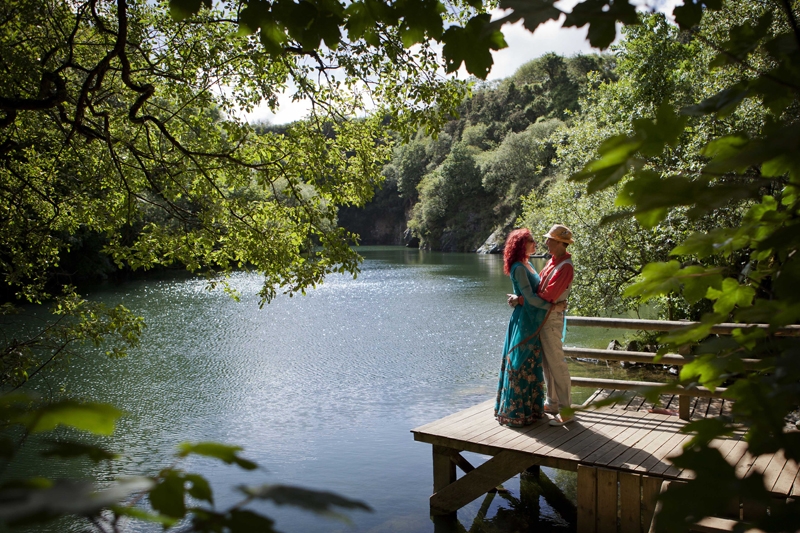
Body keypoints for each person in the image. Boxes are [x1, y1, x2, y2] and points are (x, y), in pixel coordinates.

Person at [495, 228, 566, 427]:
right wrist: (554, 306)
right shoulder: (518, 267)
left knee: (532, 362)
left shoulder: (528, 264)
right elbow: (531, 299)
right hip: (524, 319)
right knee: (520, 363)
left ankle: (532, 410)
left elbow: (534, 294)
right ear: (521, 245)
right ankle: (515, 413)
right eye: (531, 241)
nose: (536, 244)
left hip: (532, 318)